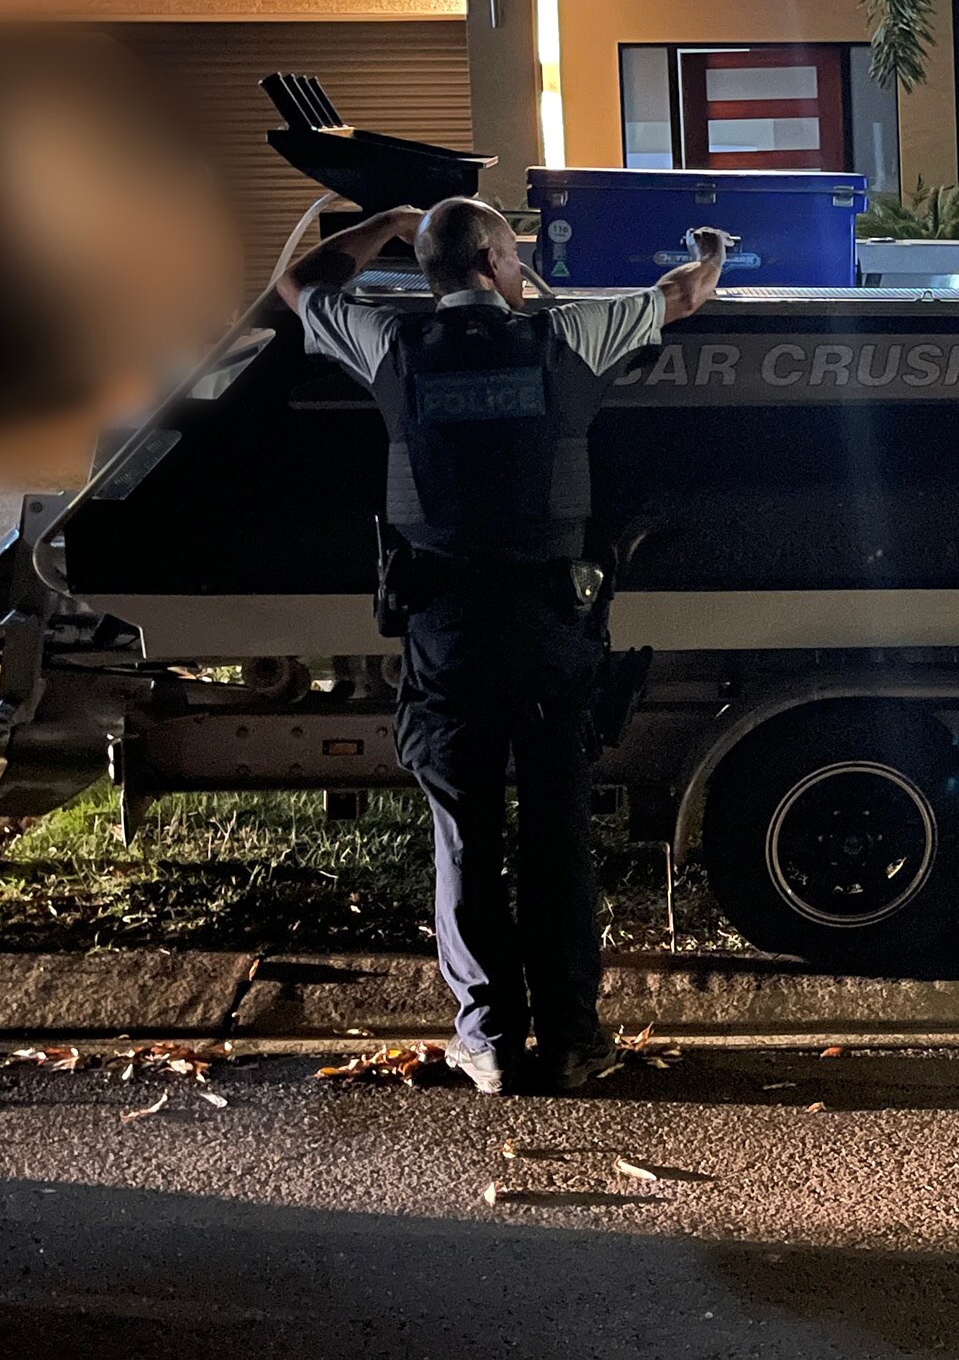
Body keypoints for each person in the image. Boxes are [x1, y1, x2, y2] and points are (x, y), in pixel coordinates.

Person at [277, 197, 729, 1094]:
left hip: (446, 632)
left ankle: (484, 1038)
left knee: (464, 838)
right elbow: (683, 296)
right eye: (513, 255)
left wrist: (390, 225)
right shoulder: (566, 339)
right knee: (558, 835)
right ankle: (569, 1041)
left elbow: (299, 283)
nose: (522, 270)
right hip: (550, 629)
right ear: (489, 262)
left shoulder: (392, 347)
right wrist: (712, 249)